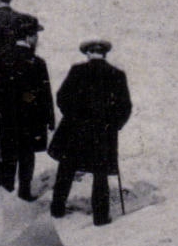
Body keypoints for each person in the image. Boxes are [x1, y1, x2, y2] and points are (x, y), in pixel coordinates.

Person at [49, 39, 132, 226]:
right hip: (103, 133)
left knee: (66, 168)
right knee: (100, 173)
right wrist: (114, 125)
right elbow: (125, 107)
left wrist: (72, 116)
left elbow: (62, 97)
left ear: (87, 54)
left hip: (75, 130)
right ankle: (101, 217)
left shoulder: (77, 71)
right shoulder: (117, 74)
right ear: (104, 53)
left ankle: (57, 209)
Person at [0, 16, 53, 201]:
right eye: (35, 35)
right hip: (30, 119)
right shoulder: (37, 62)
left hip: (6, 119)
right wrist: (49, 119)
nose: (37, 40)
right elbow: (43, 93)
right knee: (27, 156)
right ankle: (24, 193)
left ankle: (6, 193)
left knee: (8, 156)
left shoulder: (0, 59)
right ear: (29, 37)